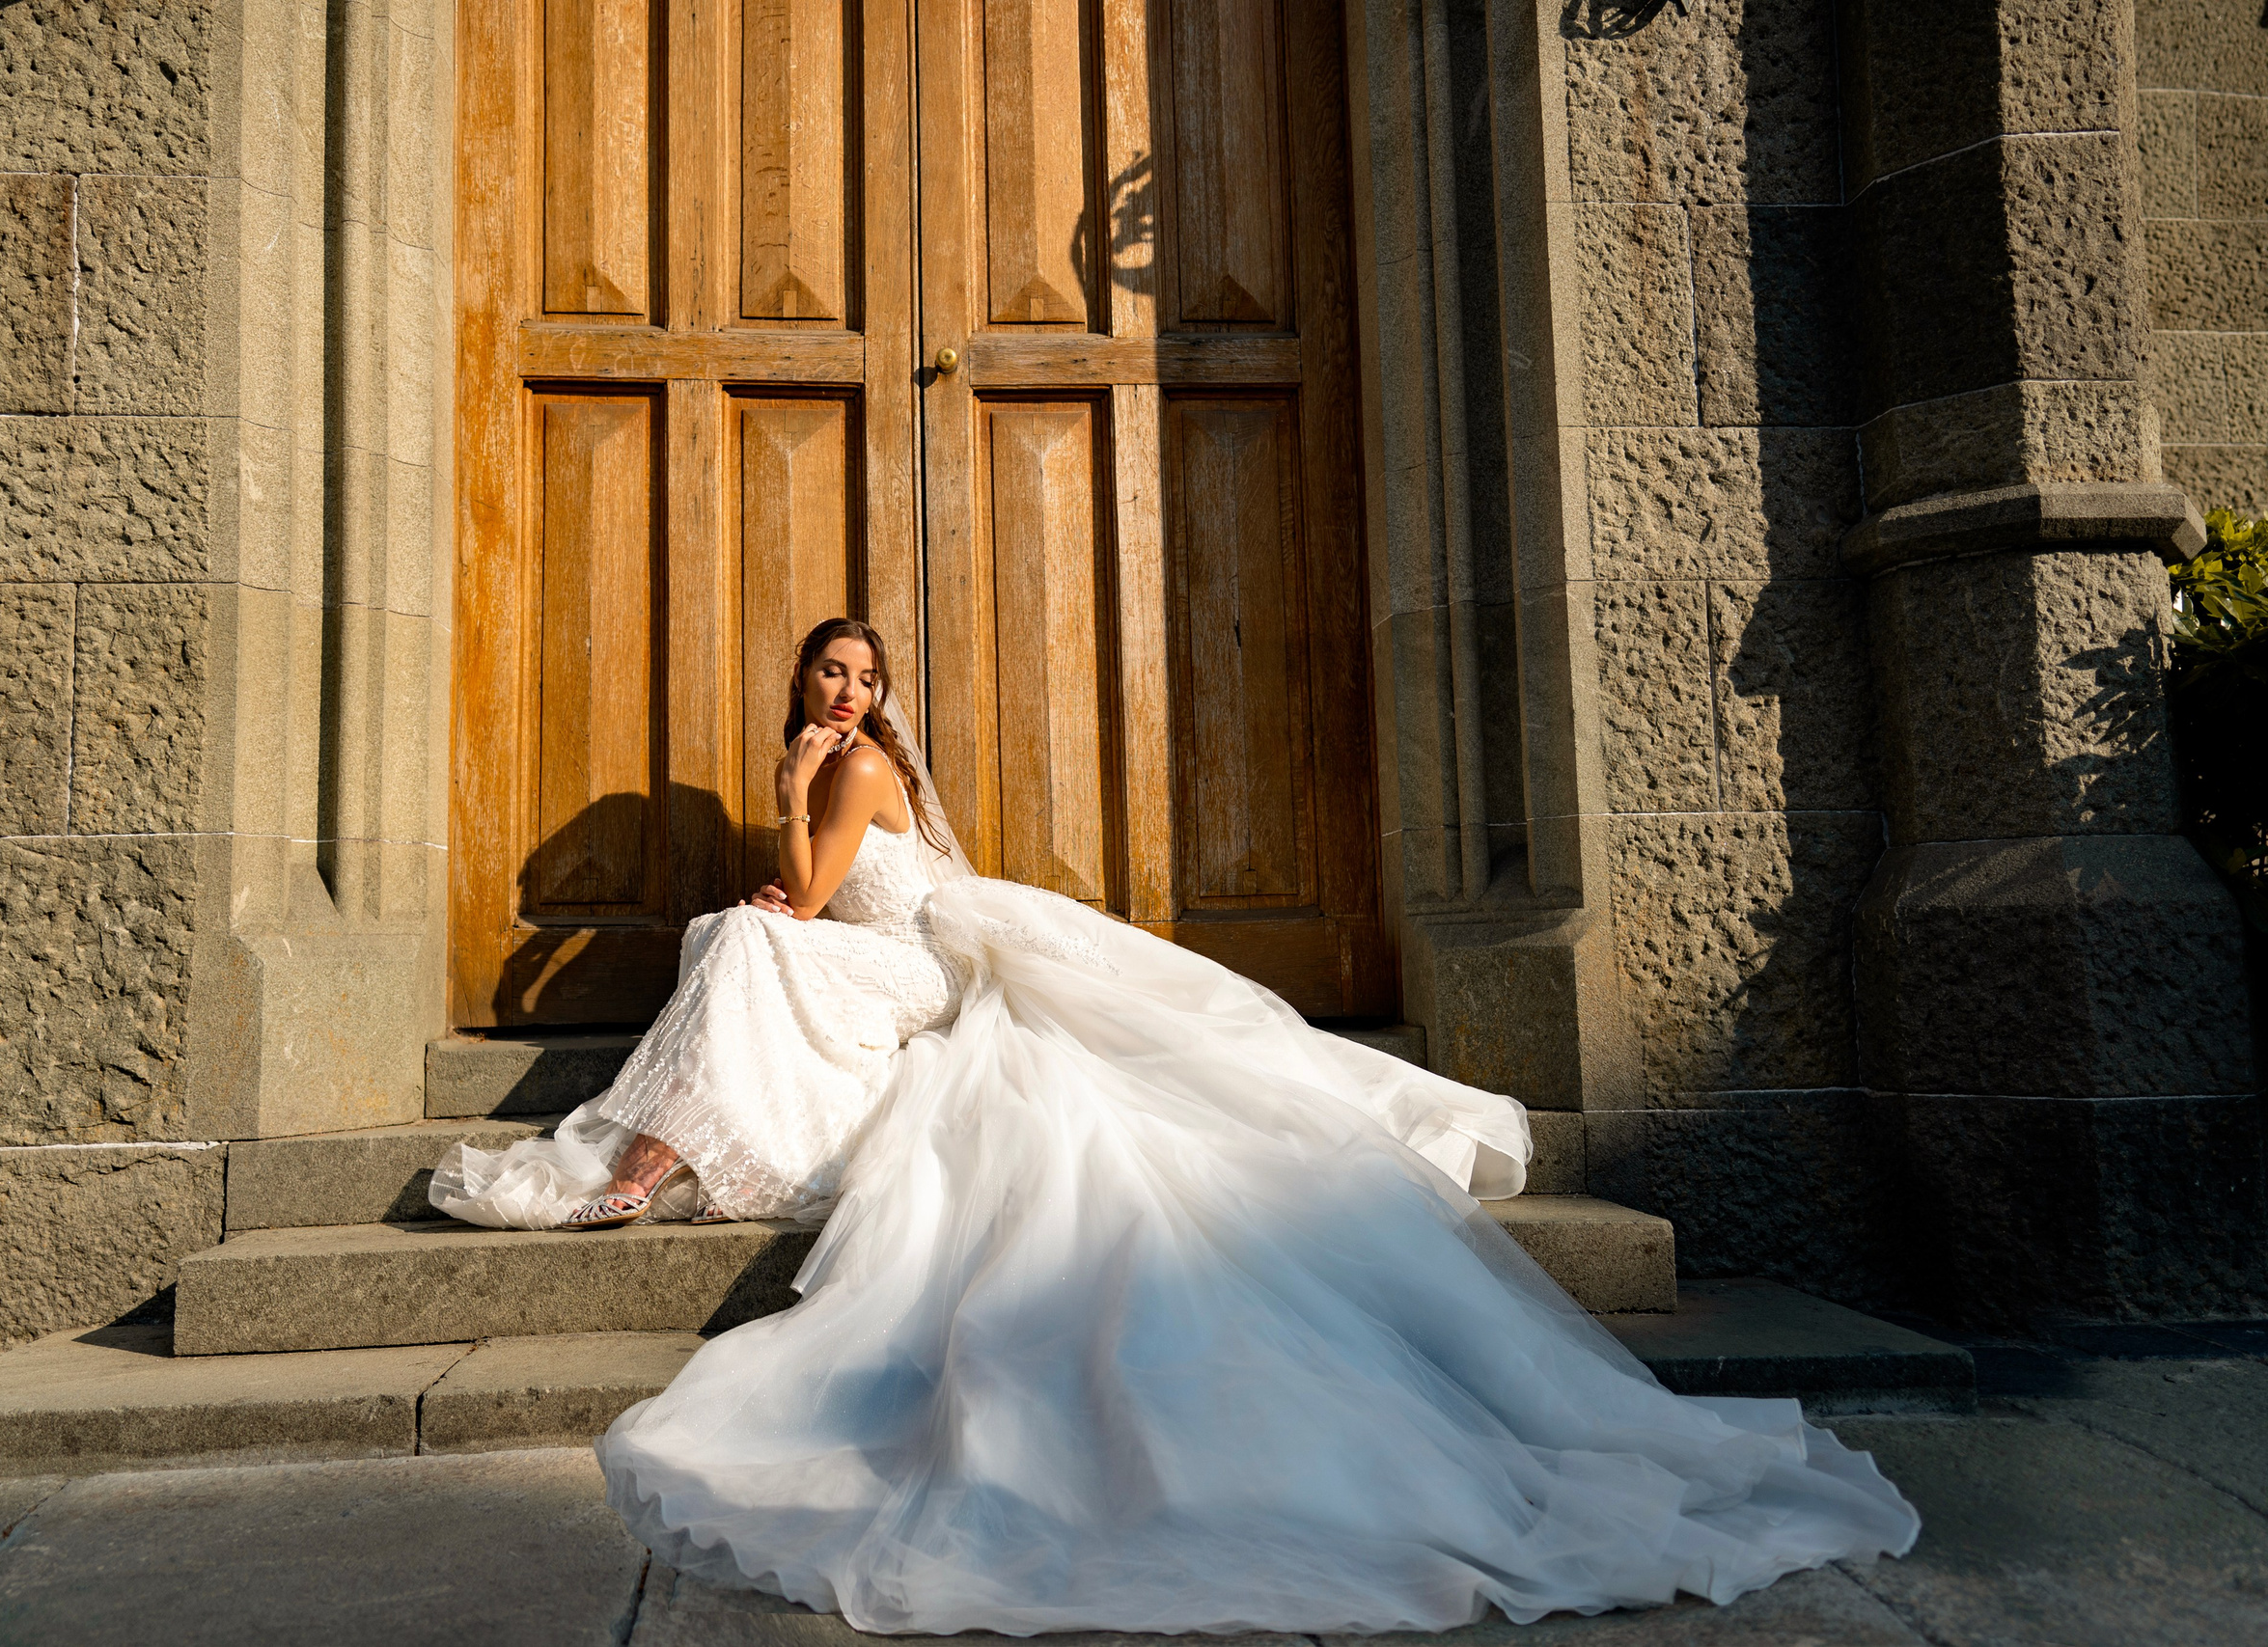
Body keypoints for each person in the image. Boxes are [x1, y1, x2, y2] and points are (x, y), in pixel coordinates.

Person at [432, 618, 1920, 1635]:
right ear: (805, 677)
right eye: (826, 674)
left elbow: (813, 896)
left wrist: (794, 794)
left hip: (909, 954)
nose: (842, 693)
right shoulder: (835, 760)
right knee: (734, 941)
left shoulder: (852, 767)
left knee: (745, 939)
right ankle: (672, 1148)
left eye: (860, 677)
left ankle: (646, 1155)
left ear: (880, 701)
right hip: (901, 947)